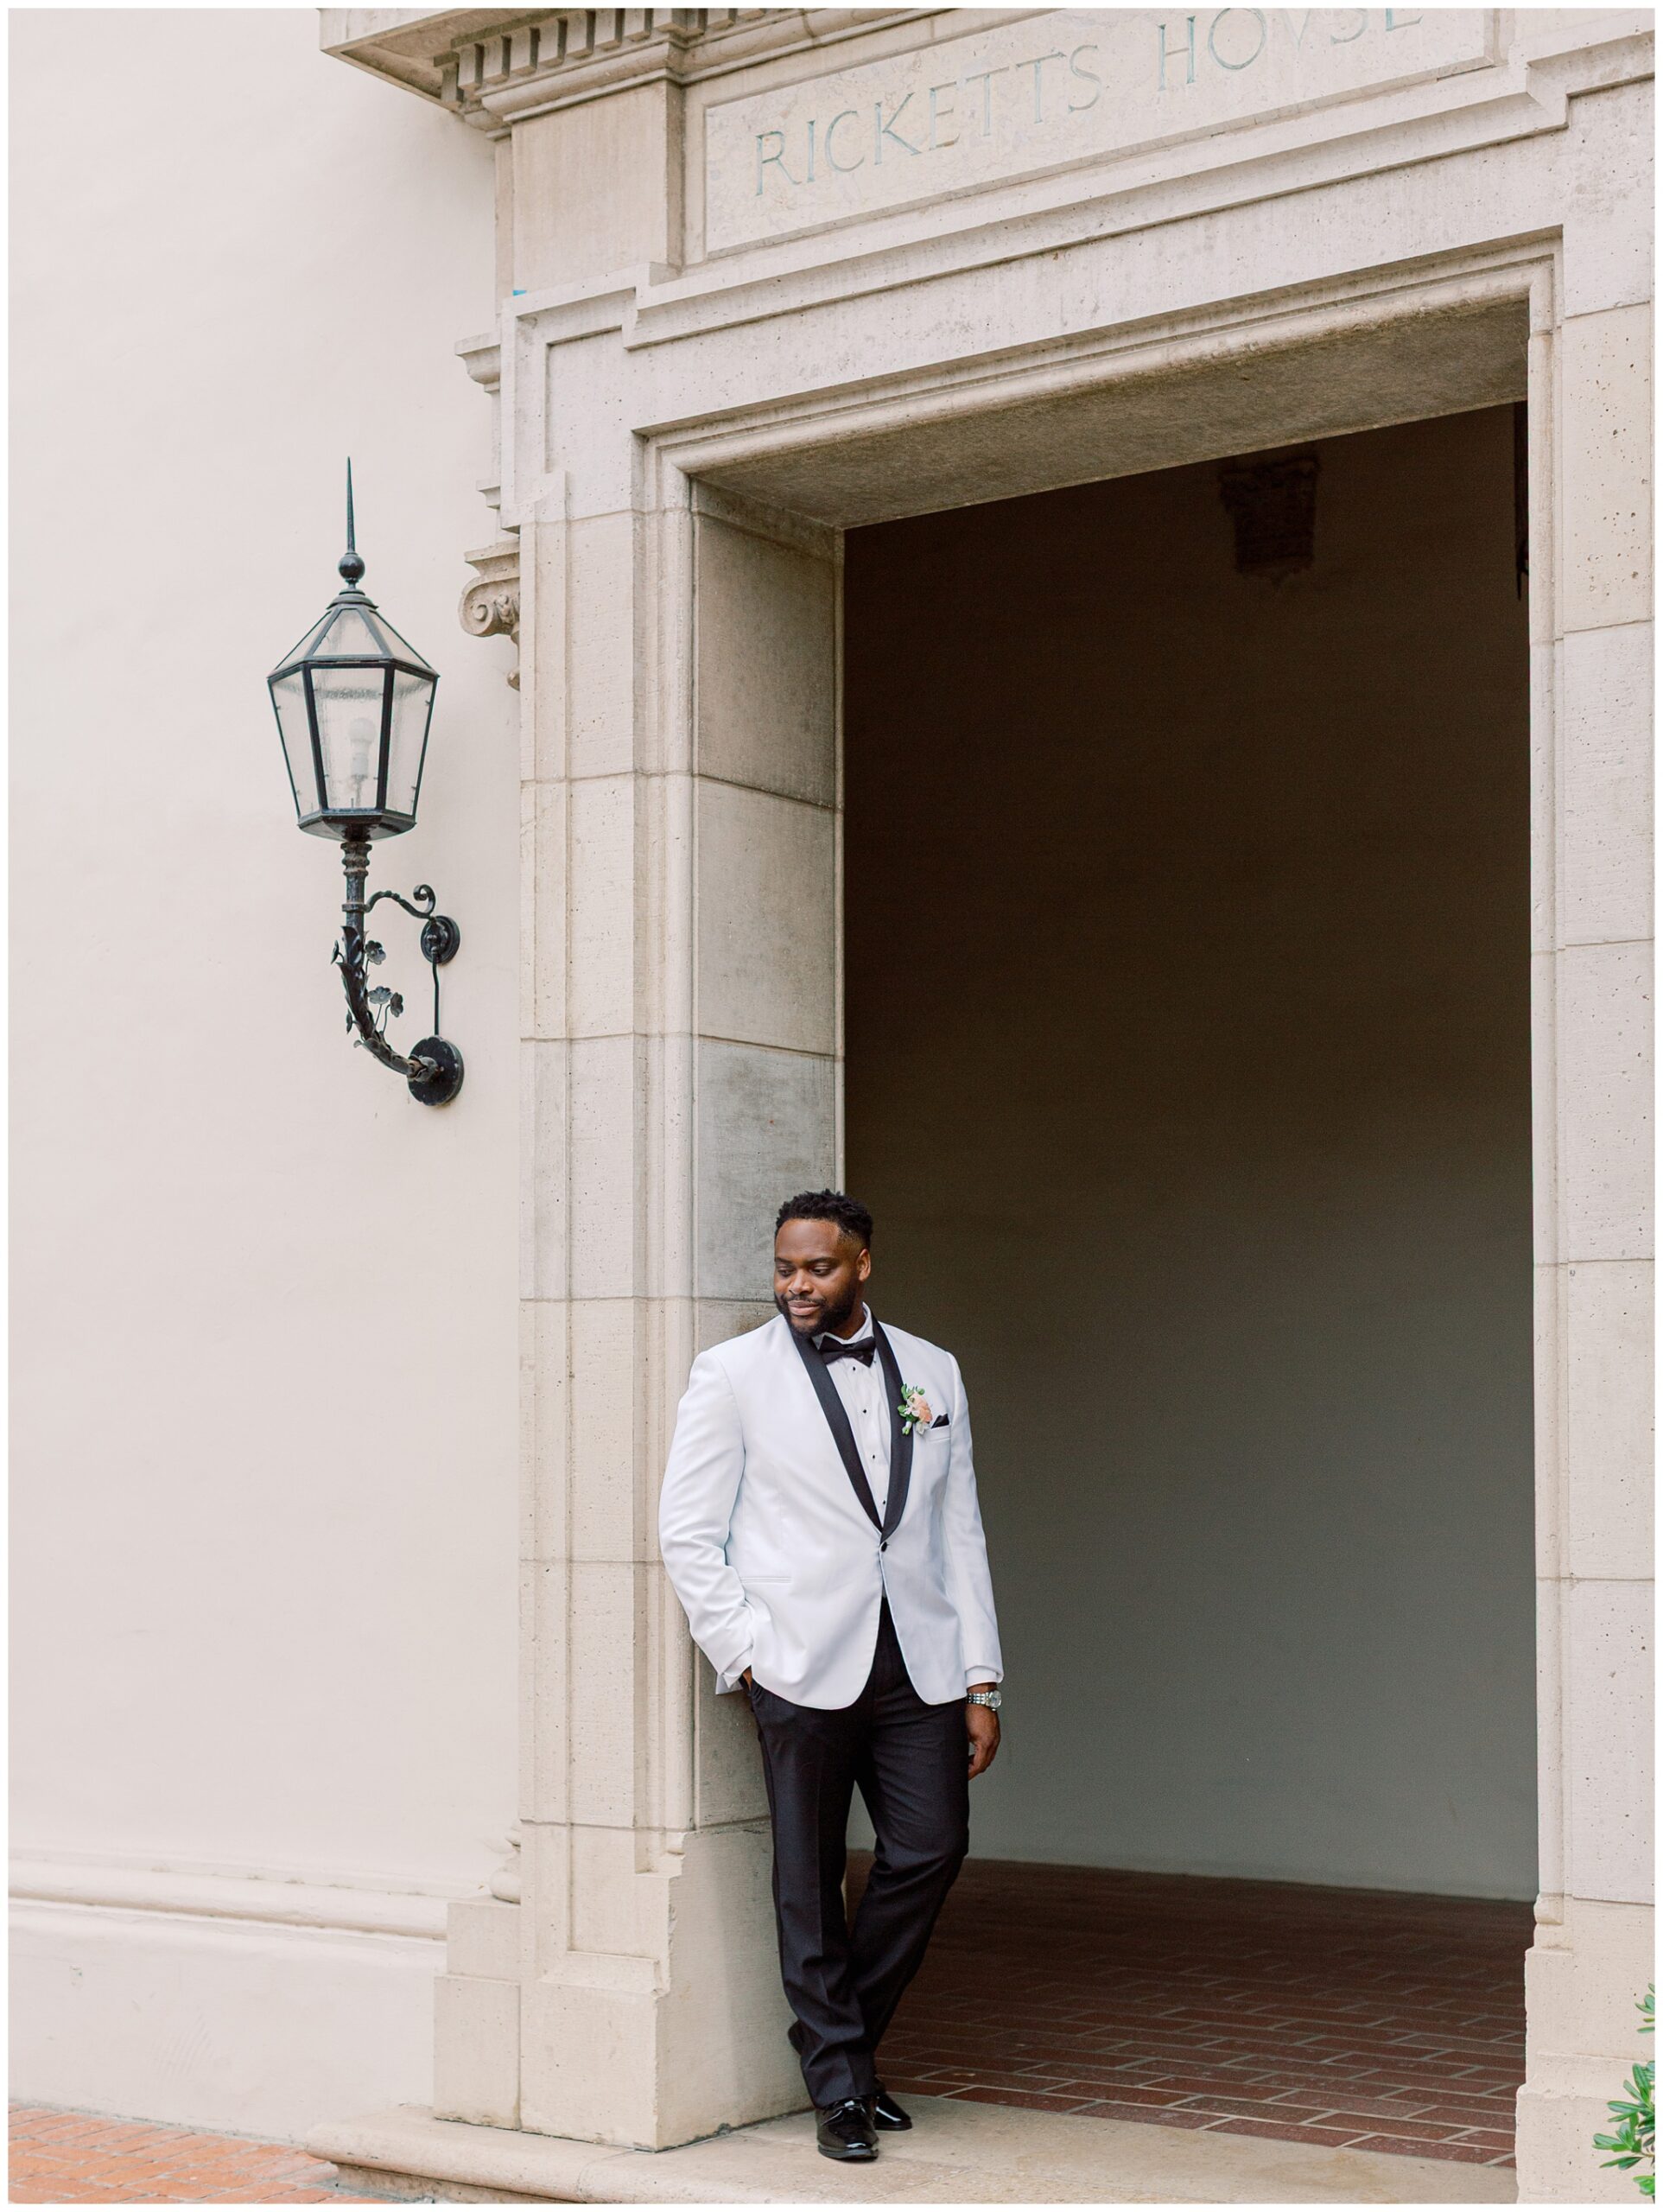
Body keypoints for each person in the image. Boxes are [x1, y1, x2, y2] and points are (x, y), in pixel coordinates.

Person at [658, 1189, 1004, 2163]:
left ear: (860, 1265)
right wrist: (747, 1652)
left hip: (921, 1665)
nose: (793, 1285)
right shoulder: (730, 1374)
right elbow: (688, 1531)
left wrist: (979, 1680)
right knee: (807, 1878)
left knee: (930, 1848)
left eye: (815, 1268)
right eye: (783, 1267)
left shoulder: (931, 1371)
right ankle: (842, 2088)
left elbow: (956, 1529)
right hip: (798, 1662)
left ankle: (833, 2037)